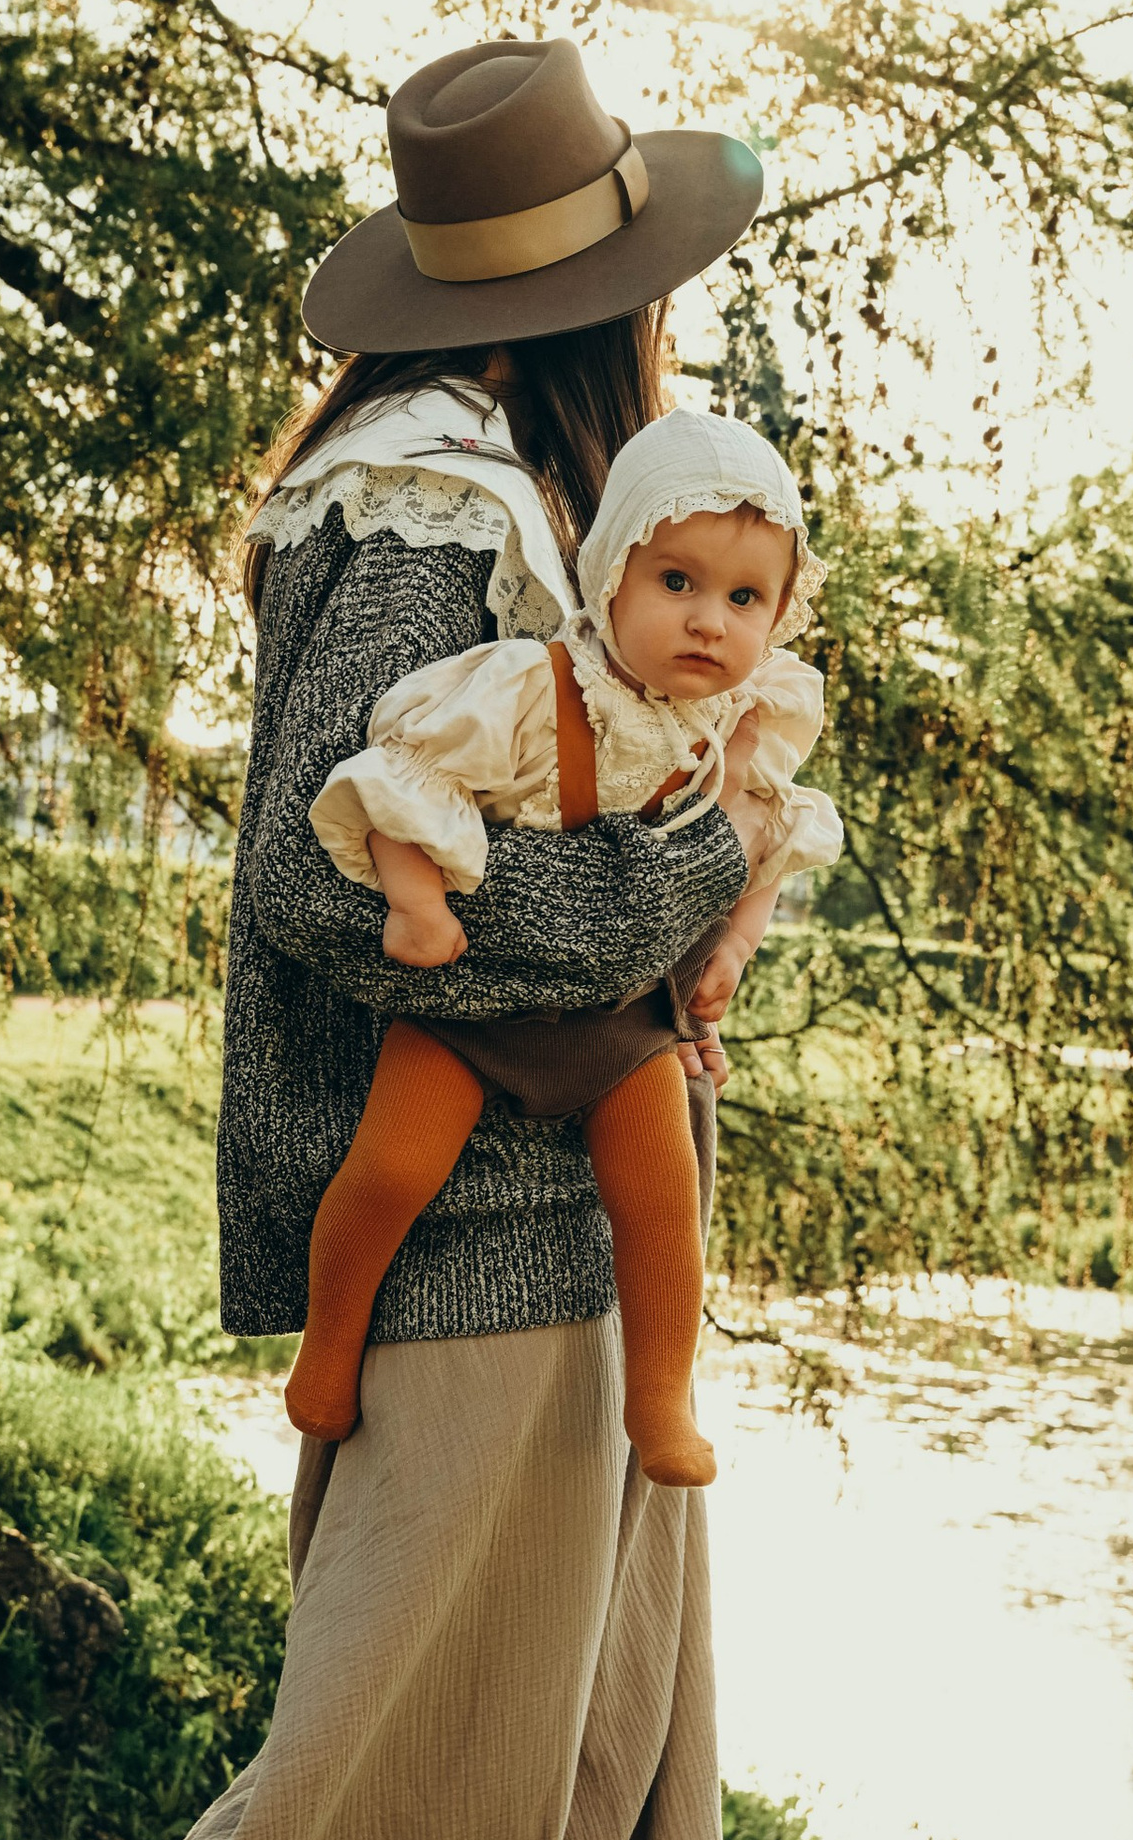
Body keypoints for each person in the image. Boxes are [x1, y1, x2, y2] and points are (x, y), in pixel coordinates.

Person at [0, 35, 788, 1840]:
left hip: (560, 1206)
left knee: (579, 1775)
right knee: (383, 1798)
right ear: (597, 299)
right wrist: (681, 888)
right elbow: (310, 873)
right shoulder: (420, 498)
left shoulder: (530, 497)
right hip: (466, 1226)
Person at [283, 407, 842, 1467]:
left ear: (779, 613)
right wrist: (416, 902)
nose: (707, 623)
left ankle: (660, 1400)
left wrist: (726, 956)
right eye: (675, 582)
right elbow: (397, 781)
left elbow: (766, 853)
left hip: (619, 1025)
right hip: (476, 1007)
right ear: (608, 580)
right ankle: (329, 1343)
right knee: (389, 1168)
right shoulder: (532, 686)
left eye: (743, 599)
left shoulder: (738, 729)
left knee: (660, 1203)